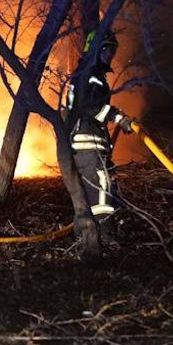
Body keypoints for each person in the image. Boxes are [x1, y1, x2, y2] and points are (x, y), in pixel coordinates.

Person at [66, 30, 134, 234]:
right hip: (87, 142)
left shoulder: (87, 73)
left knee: (96, 188)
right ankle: (104, 235)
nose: (110, 56)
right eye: (107, 50)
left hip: (88, 142)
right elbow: (89, 107)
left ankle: (87, 234)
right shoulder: (90, 75)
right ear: (97, 50)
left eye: (112, 51)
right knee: (100, 186)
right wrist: (118, 117)